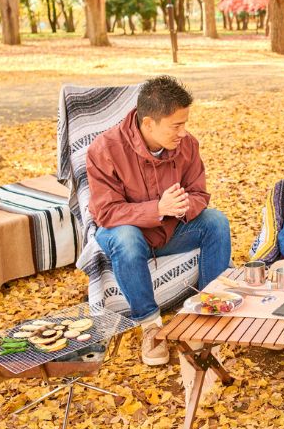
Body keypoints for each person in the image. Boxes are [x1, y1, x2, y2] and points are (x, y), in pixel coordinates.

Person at [87, 76, 231, 366]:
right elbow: (105, 212)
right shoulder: (105, 149)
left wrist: (182, 206)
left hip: (170, 231)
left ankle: (202, 311)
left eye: (185, 123)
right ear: (148, 123)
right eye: (176, 125)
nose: (183, 132)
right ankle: (150, 325)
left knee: (216, 221)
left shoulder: (187, 145)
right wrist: (158, 208)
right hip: (126, 236)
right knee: (126, 238)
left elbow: (199, 193)